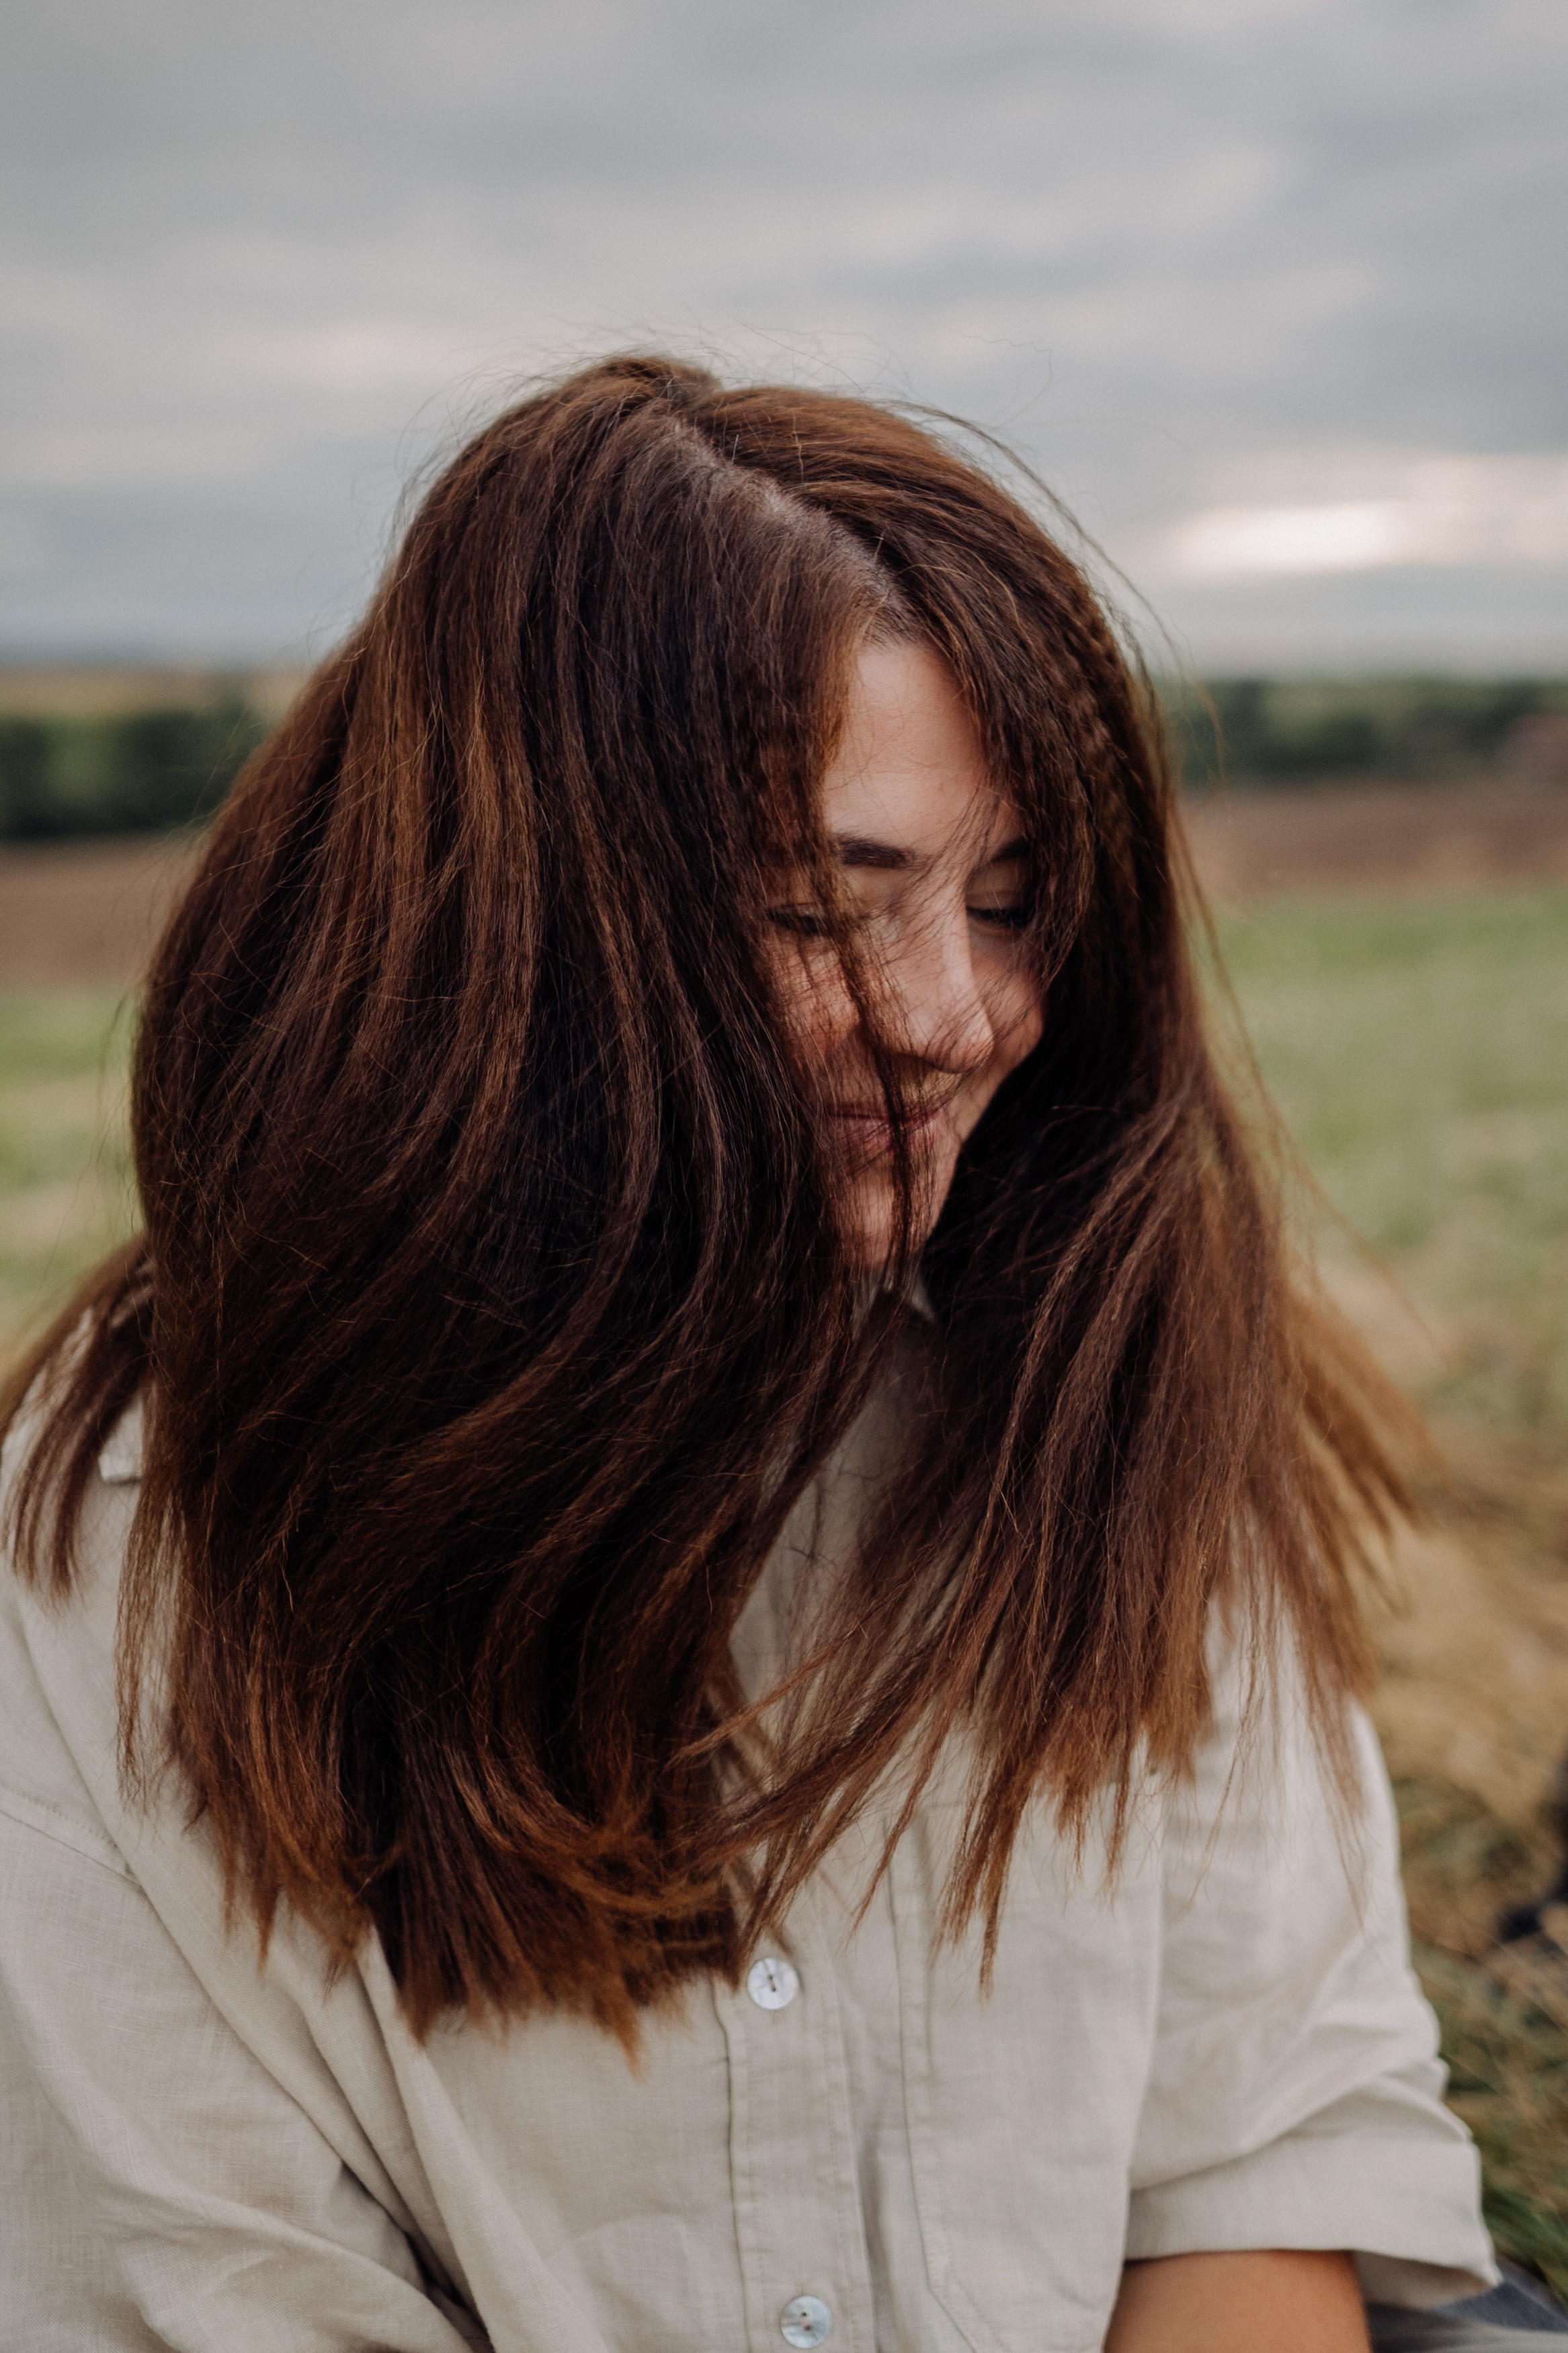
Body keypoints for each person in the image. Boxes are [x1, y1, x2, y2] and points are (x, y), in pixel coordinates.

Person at [0, 355, 1551, 2352]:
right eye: (823, 910)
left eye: (1012, 906)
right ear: (512, 927)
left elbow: (1255, 2167)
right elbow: (189, 2286)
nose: (958, 1015)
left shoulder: (1095, 1364)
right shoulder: (120, 1556)